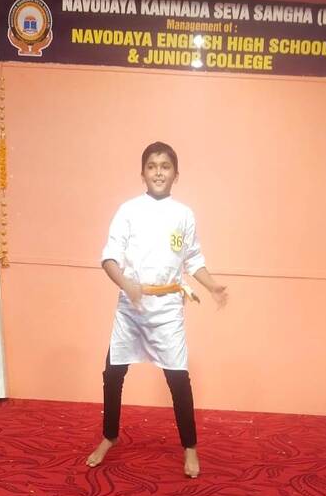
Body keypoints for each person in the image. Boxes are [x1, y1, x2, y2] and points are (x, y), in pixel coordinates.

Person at [86, 142, 227, 478]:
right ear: (143, 173)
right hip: (132, 307)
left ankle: (190, 447)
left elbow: (192, 259)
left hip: (166, 309)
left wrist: (211, 285)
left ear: (176, 174)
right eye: (152, 166)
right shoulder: (128, 210)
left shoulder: (184, 215)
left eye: (165, 166)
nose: (159, 172)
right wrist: (126, 284)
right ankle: (109, 436)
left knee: (178, 379)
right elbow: (109, 257)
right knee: (113, 374)